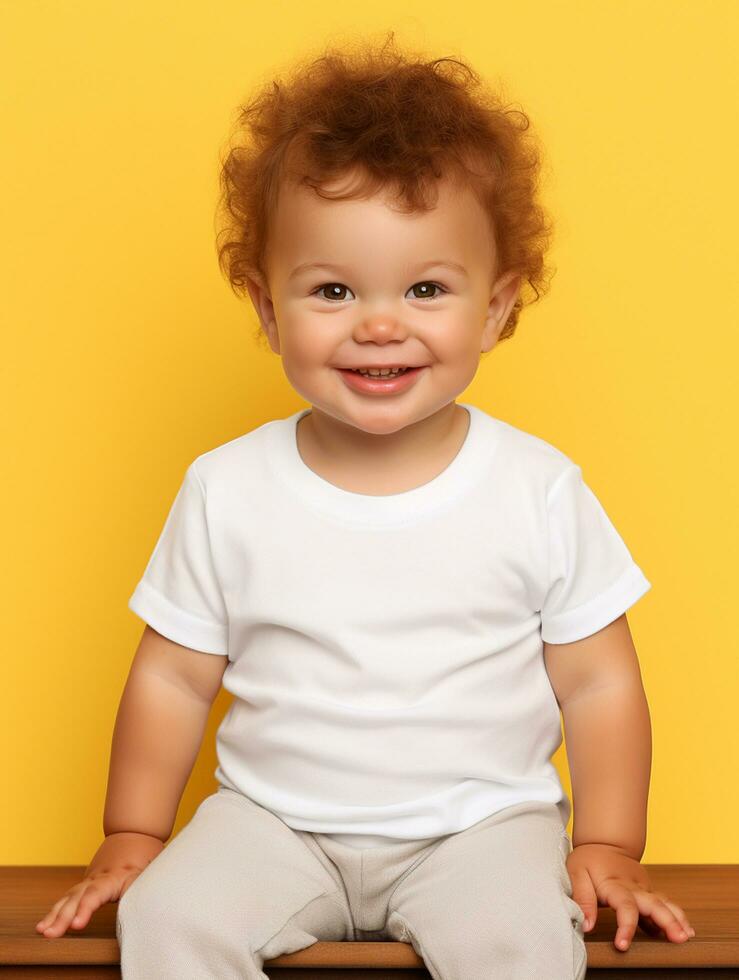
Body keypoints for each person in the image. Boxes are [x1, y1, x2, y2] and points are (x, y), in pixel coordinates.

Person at [35, 31, 695, 979]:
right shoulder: (227, 488)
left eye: (426, 288)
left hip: (478, 833)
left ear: (498, 308)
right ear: (267, 309)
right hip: (271, 824)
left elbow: (598, 683)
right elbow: (173, 679)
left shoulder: (537, 488)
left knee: (520, 943)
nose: (379, 323)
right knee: (170, 919)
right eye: (333, 289)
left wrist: (609, 845)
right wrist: (134, 833)